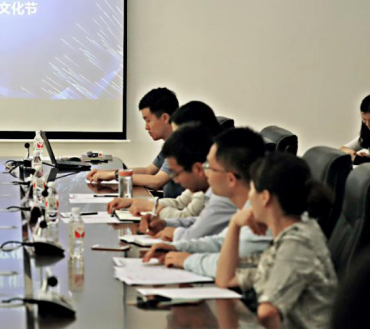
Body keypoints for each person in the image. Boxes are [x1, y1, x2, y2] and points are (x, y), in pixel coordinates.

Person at [216, 153, 336, 329]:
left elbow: (268, 312)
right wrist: (235, 225)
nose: (249, 197)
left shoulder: (297, 243)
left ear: (265, 197)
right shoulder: (292, 233)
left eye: (252, 189)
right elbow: (225, 280)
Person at [142, 127, 272, 278]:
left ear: (230, 179)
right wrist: (176, 248)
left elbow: (228, 267)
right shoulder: (245, 206)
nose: (205, 173)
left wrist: (187, 260)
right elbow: (220, 242)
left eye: (209, 167)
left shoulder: (262, 217)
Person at [107, 101, 222, 217]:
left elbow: (186, 215)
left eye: (178, 135)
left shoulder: (213, 176)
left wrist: (152, 207)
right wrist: (135, 202)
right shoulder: (196, 161)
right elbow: (180, 202)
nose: (175, 179)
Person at [135, 123, 236, 242]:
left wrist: (174, 232)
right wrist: (165, 223)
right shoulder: (211, 191)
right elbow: (199, 222)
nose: (175, 180)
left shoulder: (222, 195)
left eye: (176, 174)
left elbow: (196, 234)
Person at [88, 87, 184, 197]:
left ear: (165, 118)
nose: (146, 127)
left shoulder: (181, 144)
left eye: (148, 120)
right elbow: (148, 171)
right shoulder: (171, 144)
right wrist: (108, 173)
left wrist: (114, 175)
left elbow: (156, 181)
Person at [339, 94, 370, 163]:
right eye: (364, 119)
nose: (367, 124)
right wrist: (352, 154)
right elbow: (342, 149)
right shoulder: (367, 135)